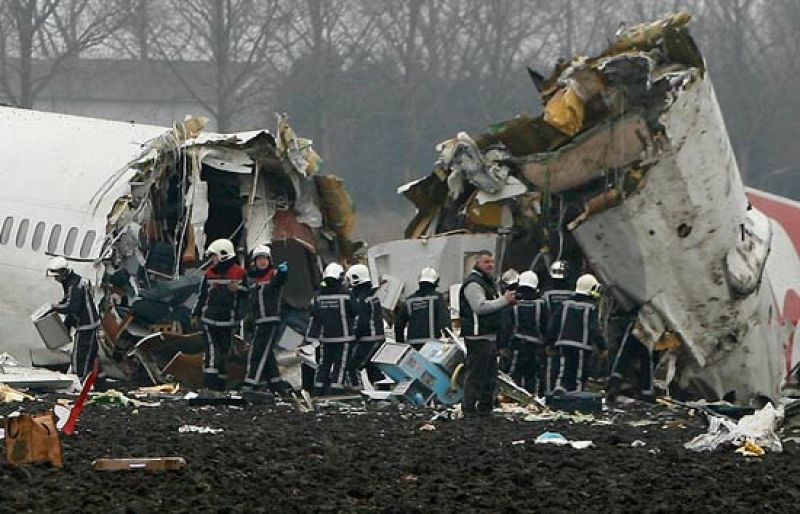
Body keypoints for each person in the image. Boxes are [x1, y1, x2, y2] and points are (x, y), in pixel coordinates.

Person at [458, 251, 516, 417]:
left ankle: (485, 409)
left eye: (492, 262)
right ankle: (469, 409)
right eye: (486, 262)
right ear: (477, 263)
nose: (490, 265)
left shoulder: (487, 282)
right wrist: (504, 300)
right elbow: (479, 307)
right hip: (478, 337)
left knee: (489, 377)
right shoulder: (473, 284)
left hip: (489, 336)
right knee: (476, 375)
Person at [192, 238, 247, 391]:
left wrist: (239, 289)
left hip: (228, 321)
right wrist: (196, 314)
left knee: (225, 353)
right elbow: (202, 296)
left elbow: (249, 294)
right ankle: (210, 385)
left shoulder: (239, 273)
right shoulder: (209, 273)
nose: (212, 260)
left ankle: (221, 385)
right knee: (212, 352)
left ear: (223, 255)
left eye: (214, 256)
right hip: (209, 320)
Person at [243, 244, 290, 394]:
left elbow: (280, 280)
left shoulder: (273, 275)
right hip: (258, 321)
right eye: (259, 259)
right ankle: (277, 384)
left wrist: (283, 272)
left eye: (265, 259)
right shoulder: (252, 280)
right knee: (266, 353)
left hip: (270, 320)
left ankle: (251, 382)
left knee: (257, 352)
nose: (262, 262)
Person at [548, 273, 606, 394]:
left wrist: (550, 343)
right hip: (581, 347)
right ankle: (576, 395)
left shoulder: (565, 304)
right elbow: (594, 329)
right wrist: (602, 347)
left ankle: (560, 389)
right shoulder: (590, 307)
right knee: (578, 374)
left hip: (563, 344)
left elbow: (554, 323)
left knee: (563, 371)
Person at [306, 262, 357, 396]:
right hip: (344, 338)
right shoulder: (346, 294)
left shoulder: (319, 296)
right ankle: (336, 390)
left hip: (326, 338)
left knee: (324, 364)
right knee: (341, 365)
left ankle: (318, 389)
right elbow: (355, 311)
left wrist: (310, 338)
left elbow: (314, 316)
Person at [46, 257, 100, 381]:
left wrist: (54, 308)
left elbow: (71, 306)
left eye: (57, 276)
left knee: (79, 356)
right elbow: (68, 301)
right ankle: (95, 382)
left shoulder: (74, 285)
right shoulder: (71, 281)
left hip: (86, 325)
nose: (56, 279)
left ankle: (79, 381)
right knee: (90, 355)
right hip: (86, 323)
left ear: (64, 272)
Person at [500, 271, 546, 395]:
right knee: (533, 379)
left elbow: (506, 328)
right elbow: (546, 327)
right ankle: (533, 400)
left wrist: (502, 346)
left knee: (513, 379)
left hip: (517, 348)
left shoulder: (513, 306)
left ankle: (511, 399)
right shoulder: (542, 305)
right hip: (536, 350)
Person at [345, 264, 385, 386]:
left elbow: (360, 322)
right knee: (373, 370)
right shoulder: (371, 295)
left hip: (368, 341)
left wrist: (351, 337)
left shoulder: (360, 299)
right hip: (377, 339)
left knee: (351, 367)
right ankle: (382, 392)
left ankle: (356, 392)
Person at [394, 267, 451, 350]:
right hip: (432, 345)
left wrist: (400, 343)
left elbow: (399, 324)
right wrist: (448, 338)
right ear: (435, 282)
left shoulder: (409, 300)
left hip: (413, 345)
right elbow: (445, 321)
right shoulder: (437, 298)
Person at [541, 259, 575, 392]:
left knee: (551, 368)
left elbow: (543, 316)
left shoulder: (546, 294)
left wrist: (547, 338)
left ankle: (549, 394)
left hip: (551, 337)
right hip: (569, 337)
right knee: (568, 368)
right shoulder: (573, 295)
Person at [606, 319, 655, 403]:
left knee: (624, 356)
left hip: (638, 326)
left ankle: (614, 384)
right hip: (651, 328)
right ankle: (646, 394)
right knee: (647, 361)